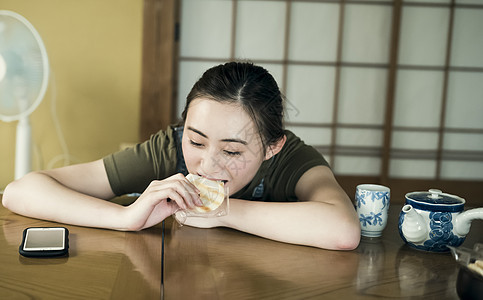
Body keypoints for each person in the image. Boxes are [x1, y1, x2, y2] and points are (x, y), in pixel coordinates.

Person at [2, 62, 360, 250]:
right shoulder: (168, 148)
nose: (206, 164)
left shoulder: (292, 158)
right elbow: (21, 191)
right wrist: (126, 218)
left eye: (232, 150)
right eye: (197, 141)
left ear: (272, 147)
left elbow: (343, 231)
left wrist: (221, 212)